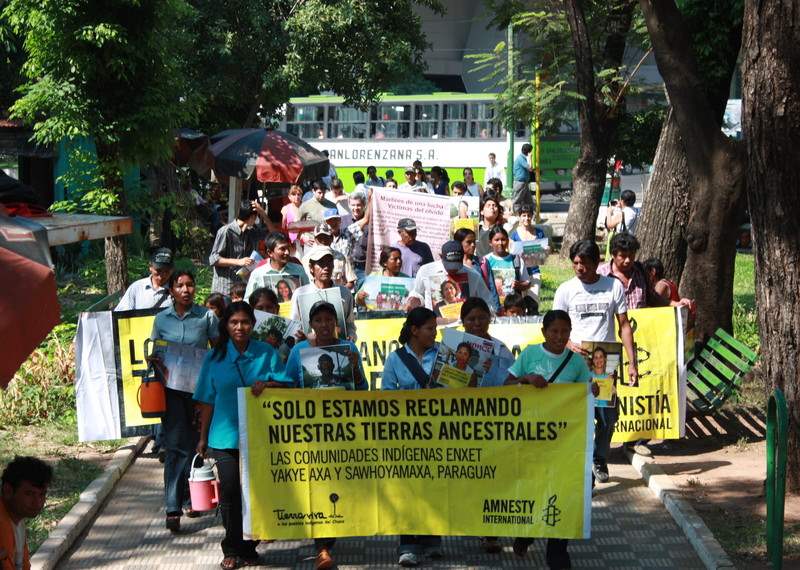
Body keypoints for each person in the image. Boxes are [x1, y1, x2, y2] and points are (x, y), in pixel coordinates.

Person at [194, 302, 284, 570]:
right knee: (231, 491)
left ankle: (249, 545)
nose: (240, 327)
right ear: (226, 325)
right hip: (224, 437)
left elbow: (286, 383)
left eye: (245, 322)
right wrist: (201, 438)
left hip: (261, 436)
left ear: (253, 324)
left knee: (257, 492)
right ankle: (231, 548)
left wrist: (267, 384)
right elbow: (206, 400)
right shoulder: (215, 357)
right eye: (234, 322)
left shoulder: (266, 352)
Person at [504, 310, 597, 569]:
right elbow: (506, 385)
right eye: (554, 331)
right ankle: (528, 533)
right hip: (532, 441)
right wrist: (526, 379)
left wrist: (592, 390)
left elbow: (586, 394)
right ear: (544, 331)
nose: (559, 336)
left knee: (568, 490)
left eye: (565, 332)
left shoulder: (577, 363)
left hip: (565, 442)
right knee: (536, 491)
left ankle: (557, 553)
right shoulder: (530, 354)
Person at [552, 239, 637, 484]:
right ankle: (583, 467)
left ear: (597, 262)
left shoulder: (613, 286)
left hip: (606, 360)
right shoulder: (565, 290)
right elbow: (554, 328)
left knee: (607, 417)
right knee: (581, 417)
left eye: (584, 262)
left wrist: (632, 363)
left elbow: (624, 325)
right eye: (575, 263)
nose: (579, 267)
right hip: (575, 363)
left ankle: (600, 458)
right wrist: (569, 345)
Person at [149, 270, 218, 532]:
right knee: (175, 445)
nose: (186, 290)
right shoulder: (161, 319)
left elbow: (218, 348)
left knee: (195, 444)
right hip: (172, 392)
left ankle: (192, 498)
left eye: (190, 285)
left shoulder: (206, 317)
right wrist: (154, 360)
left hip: (199, 392)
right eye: (180, 285)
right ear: (172, 290)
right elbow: (156, 350)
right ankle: (172, 507)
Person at [381, 307, 441, 567]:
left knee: (433, 485)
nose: (434, 333)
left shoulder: (442, 354)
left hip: (439, 432)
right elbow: (386, 394)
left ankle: (432, 538)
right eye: (430, 328)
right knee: (407, 488)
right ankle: (407, 543)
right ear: (415, 330)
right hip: (406, 434)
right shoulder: (395, 360)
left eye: (435, 328)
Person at [407, 240, 499, 313]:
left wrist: (478, 311)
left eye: (456, 266)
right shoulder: (425, 271)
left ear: (463, 257)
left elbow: (490, 304)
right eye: (449, 265)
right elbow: (417, 292)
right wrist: (415, 300)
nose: (453, 270)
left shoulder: (473, 275)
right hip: (433, 328)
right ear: (441, 257)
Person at [291, 246, 357, 341]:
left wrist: (351, 336)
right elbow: (294, 326)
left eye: (329, 263)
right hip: (310, 350)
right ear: (311, 267)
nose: (326, 267)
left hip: (339, 350)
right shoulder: (300, 294)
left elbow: (350, 324)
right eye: (321, 263)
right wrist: (300, 337)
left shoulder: (345, 293)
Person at [1, 456, 52, 570]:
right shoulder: (2, 525)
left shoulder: (17, 518)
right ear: (8, 491)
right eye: (29, 494)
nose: (37, 503)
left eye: (42, 494)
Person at [209, 202, 269, 295]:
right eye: (256, 217)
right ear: (252, 217)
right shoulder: (226, 231)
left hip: (241, 290)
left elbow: (274, 233)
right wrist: (238, 261)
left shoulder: (250, 233)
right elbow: (213, 259)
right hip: (224, 291)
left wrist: (262, 212)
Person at [460, 297, 514, 389]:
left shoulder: (500, 349)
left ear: (489, 318)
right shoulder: (452, 344)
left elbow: (515, 381)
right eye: (471, 319)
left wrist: (496, 372)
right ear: (463, 322)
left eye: (482, 318)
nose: (477, 323)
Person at [245, 232, 309, 301]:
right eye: (282, 249)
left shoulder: (299, 270)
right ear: (270, 252)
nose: (287, 252)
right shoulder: (257, 274)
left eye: (288, 248)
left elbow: (308, 295)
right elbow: (248, 301)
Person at [303, 223, 357, 289]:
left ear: (331, 238)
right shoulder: (306, 258)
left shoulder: (341, 257)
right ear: (315, 239)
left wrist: (340, 292)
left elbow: (351, 281)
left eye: (325, 237)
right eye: (320, 238)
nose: (323, 241)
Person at [484, 225, 531, 300]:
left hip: (512, 306)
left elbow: (527, 283)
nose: (500, 243)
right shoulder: (485, 260)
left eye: (503, 239)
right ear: (490, 242)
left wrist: (519, 285)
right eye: (496, 240)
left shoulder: (516, 259)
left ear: (508, 241)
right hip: (492, 306)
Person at [343, 192, 370, 288]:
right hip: (346, 268)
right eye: (353, 205)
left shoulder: (371, 222)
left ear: (364, 205)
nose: (356, 208)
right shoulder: (342, 220)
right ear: (349, 205)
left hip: (364, 267)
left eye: (358, 205)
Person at [281, 184, 303, 252]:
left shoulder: (305, 207)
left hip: (304, 241)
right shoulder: (286, 208)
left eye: (298, 194)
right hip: (291, 242)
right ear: (289, 197)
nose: (296, 196)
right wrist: (284, 216)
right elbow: (283, 227)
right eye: (293, 194)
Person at [512, 143, 534, 210]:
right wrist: (530, 158)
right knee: (517, 201)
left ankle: (531, 215)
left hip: (524, 183)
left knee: (528, 200)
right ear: (528, 152)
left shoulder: (521, 158)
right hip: (520, 183)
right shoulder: (521, 158)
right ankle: (516, 215)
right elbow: (530, 168)